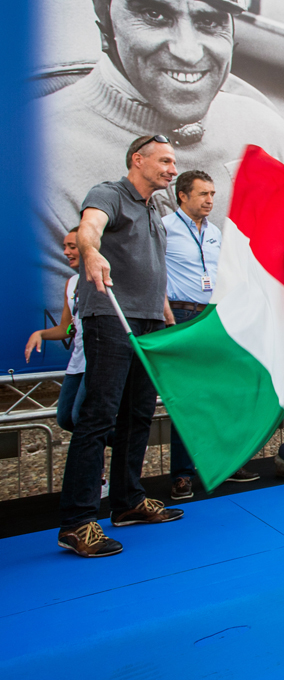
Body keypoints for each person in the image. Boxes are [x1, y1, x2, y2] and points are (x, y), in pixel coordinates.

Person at [37, 0, 284, 306]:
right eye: (155, 15)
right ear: (106, 23)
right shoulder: (38, 158)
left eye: (209, 21)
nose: (189, 52)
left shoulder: (263, 129)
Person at [57, 134, 184, 559]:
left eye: (173, 163)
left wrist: (163, 309)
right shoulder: (108, 194)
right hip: (111, 317)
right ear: (138, 160)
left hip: (148, 320)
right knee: (99, 415)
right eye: (165, 161)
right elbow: (89, 228)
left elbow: (152, 266)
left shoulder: (156, 207)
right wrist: (90, 252)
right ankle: (77, 522)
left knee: (138, 415)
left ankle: (128, 501)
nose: (171, 169)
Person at [162, 170, 259, 501]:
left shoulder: (216, 232)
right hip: (181, 316)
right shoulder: (164, 228)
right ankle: (182, 475)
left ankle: (225, 465)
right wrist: (166, 316)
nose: (209, 200)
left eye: (213, 194)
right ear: (182, 196)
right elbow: (153, 273)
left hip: (214, 318)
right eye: (203, 194)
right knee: (188, 398)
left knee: (222, 394)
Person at [26, 227, 88, 432]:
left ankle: (127, 448)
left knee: (82, 417)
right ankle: (127, 445)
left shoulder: (104, 278)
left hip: (98, 361)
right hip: (77, 362)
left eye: (72, 247)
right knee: (65, 419)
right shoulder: (71, 283)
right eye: (64, 247)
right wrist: (40, 334)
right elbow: (67, 328)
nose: (66, 252)